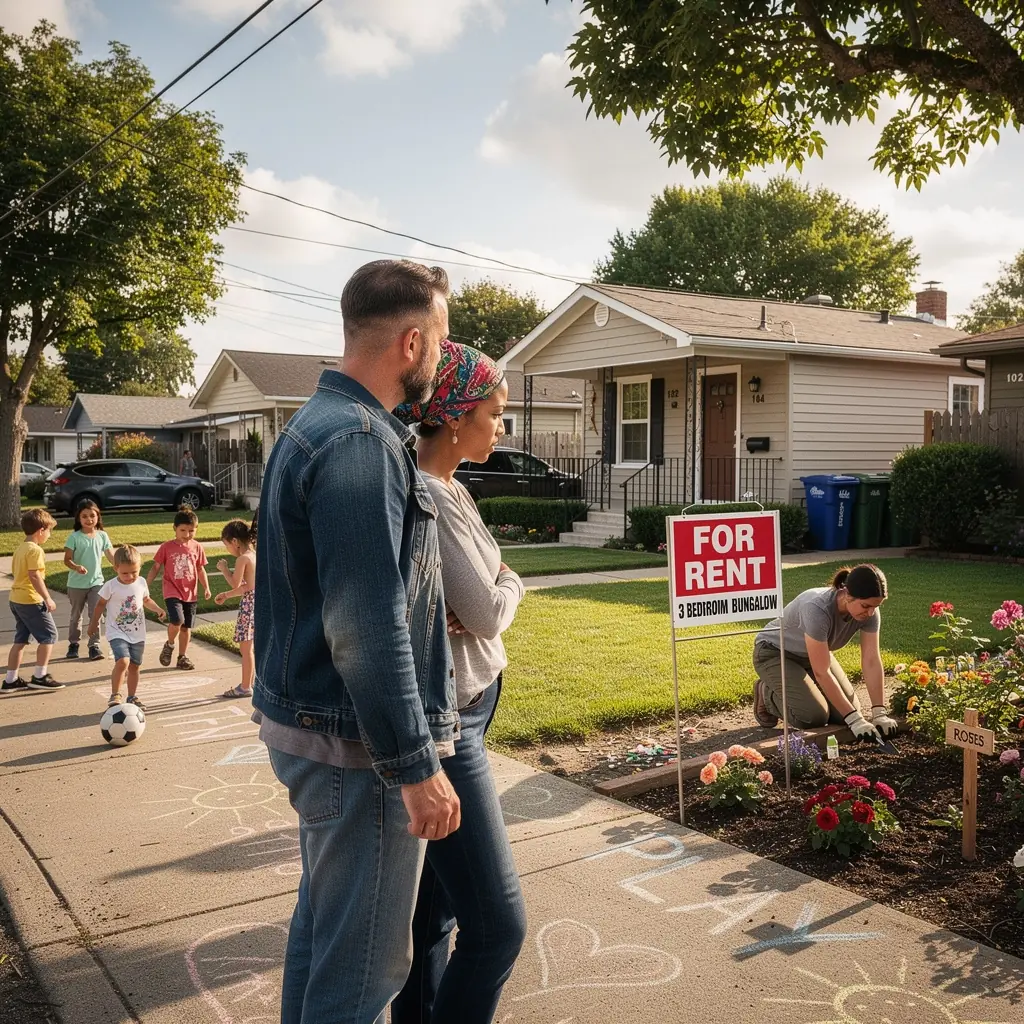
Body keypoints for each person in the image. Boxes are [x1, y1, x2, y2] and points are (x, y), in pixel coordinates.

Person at [252, 259, 461, 1024]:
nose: (440, 355)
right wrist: (415, 768)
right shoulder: (359, 442)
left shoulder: (315, 424)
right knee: (366, 971)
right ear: (411, 341)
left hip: (320, 733)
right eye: (438, 338)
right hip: (357, 751)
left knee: (326, 936)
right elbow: (366, 626)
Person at [392, 340, 527, 1024]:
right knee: (499, 928)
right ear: (452, 415)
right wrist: (511, 584)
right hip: (455, 723)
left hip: (480, 695)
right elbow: (486, 609)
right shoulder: (428, 495)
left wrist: (492, 592)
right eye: (495, 413)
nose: (502, 427)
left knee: (434, 913)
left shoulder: (455, 487)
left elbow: (477, 608)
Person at [752, 564, 899, 742]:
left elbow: (871, 660)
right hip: (775, 652)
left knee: (845, 713)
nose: (870, 612)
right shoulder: (816, 608)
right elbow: (822, 671)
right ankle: (766, 693)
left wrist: (879, 713)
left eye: (876, 606)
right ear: (847, 594)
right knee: (813, 716)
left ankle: (797, 688)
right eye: (866, 606)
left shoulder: (869, 612)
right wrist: (854, 720)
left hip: (812, 655)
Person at [89, 545, 166, 710]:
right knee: (123, 661)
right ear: (116, 568)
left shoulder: (141, 582)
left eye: (134, 572)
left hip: (138, 634)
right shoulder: (111, 586)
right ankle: (115, 694)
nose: (130, 577)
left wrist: (158, 608)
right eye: (125, 573)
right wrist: (94, 622)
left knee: (135, 666)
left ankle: (132, 697)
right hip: (117, 631)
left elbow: (146, 600)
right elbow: (100, 605)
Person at [4, 508, 62, 692]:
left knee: (20, 640)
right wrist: (47, 598)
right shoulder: (35, 550)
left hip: (16, 599)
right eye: (49, 531)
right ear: (41, 530)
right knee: (49, 636)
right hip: (30, 600)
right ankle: (40, 676)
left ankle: (10, 680)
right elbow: (34, 576)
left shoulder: (21, 548)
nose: (49, 535)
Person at [147, 507, 210, 671]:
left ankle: (182, 656)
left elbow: (200, 569)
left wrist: (206, 588)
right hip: (172, 590)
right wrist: (146, 583)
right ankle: (169, 644)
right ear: (175, 528)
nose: (187, 534)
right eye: (183, 530)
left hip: (191, 593)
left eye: (191, 531)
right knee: (177, 620)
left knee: (186, 627)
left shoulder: (197, 547)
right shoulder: (166, 547)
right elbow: (155, 567)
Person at [63, 500, 114, 661]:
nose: (89, 519)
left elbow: (110, 555)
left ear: (98, 517)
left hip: (96, 583)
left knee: (96, 615)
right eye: (84, 516)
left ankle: (94, 645)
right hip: (76, 584)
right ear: (79, 518)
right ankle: (74, 644)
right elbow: (67, 559)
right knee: (76, 616)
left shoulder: (102, 535)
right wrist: (76, 567)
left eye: (92, 515)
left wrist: (120, 567)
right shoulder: (74, 537)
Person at [214, 517, 256, 699]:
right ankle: (252, 683)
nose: (227, 550)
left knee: (245, 648)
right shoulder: (255, 555)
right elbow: (248, 586)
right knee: (253, 648)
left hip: (248, 606)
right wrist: (226, 596)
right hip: (258, 602)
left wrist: (224, 569)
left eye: (226, 545)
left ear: (234, 541)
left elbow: (235, 583)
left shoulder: (242, 559)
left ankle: (246, 686)